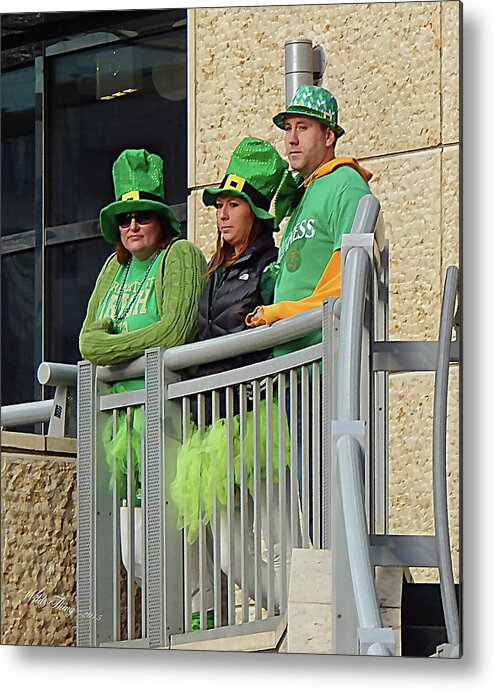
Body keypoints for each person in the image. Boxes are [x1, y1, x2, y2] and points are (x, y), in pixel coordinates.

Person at [79, 148, 210, 621]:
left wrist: (116, 342)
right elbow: (86, 341)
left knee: (177, 529)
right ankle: (167, 623)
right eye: (124, 218)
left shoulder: (181, 256)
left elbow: (174, 331)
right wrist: (123, 346)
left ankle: (202, 615)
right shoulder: (113, 269)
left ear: (161, 219)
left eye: (142, 216)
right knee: (132, 546)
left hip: (167, 415)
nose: (132, 226)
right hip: (119, 427)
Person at [170, 137, 293, 613]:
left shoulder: (269, 265)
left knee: (285, 543)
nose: (222, 214)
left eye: (233, 204)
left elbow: (257, 330)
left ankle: (301, 626)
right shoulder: (209, 271)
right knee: (228, 553)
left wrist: (198, 330)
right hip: (213, 424)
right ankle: (289, 616)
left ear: (256, 213)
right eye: (219, 204)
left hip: (256, 414)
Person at [246, 85, 374, 540]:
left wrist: (281, 312)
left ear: (330, 136)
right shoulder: (304, 194)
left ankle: (340, 587)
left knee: (327, 489)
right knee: (307, 489)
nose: (291, 139)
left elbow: (344, 282)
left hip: (324, 359)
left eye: (303, 128)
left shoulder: (346, 185)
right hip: (294, 365)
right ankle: (325, 582)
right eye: (288, 129)